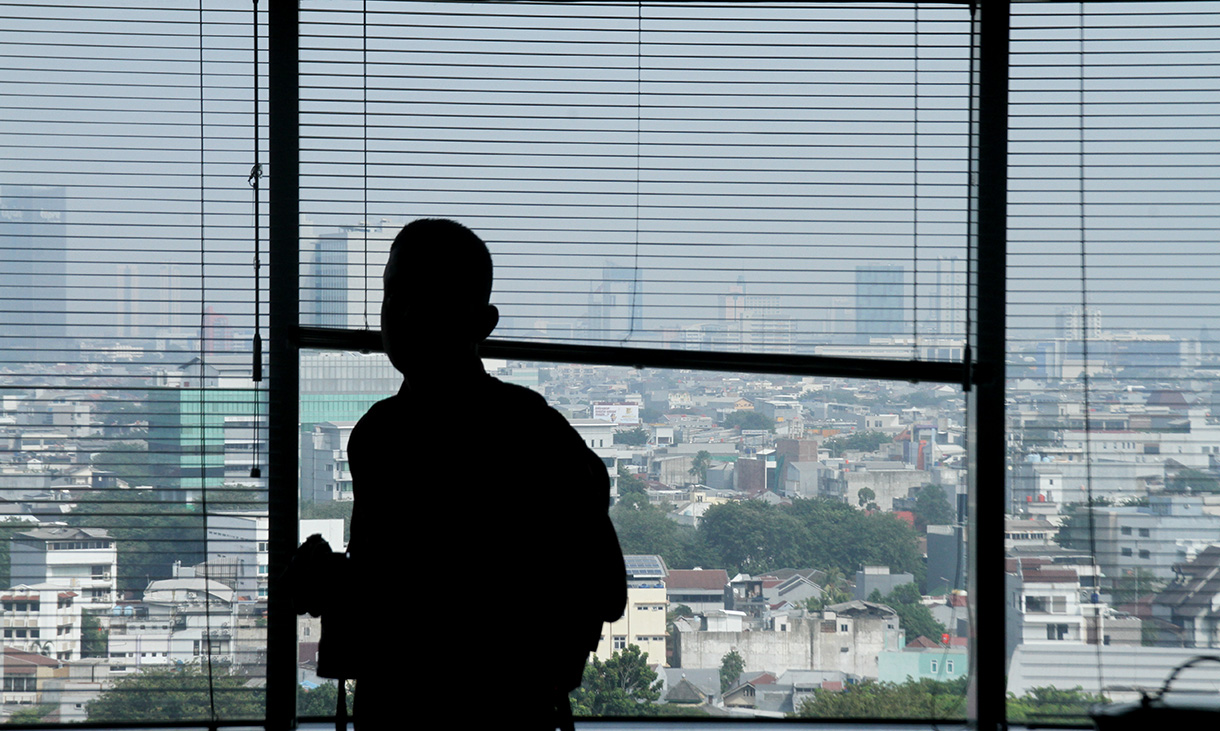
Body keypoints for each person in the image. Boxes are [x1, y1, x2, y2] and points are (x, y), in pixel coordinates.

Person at [344, 218, 627, 728]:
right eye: (394, 294)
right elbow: (603, 590)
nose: (405, 313)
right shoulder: (531, 429)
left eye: (428, 298)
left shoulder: (381, 437)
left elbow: (396, 590)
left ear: (482, 323)